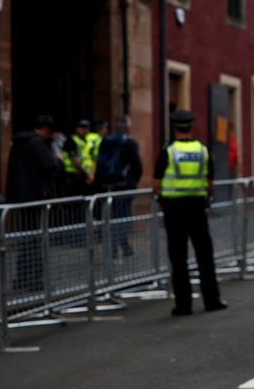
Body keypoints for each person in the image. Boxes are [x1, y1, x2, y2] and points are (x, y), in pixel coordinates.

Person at [153, 109, 227, 316]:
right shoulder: (202, 150)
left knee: (178, 258)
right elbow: (210, 181)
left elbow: (157, 182)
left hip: (174, 209)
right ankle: (212, 301)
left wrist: (161, 199)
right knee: (205, 255)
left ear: (175, 127)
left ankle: (183, 306)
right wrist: (205, 198)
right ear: (191, 126)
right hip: (197, 207)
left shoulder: (168, 151)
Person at [5, 115, 62, 291]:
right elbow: (49, 165)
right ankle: (32, 279)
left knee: (27, 240)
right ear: (45, 129)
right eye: (50, 132)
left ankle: (22, 279)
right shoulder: (36, 143)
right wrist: (57, 160)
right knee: (34, 241)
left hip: (21, 196)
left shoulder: (20, 143)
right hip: (35, 196)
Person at [96, 116, 143, 258]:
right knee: (123, 218)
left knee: (114, 217)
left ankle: (123, 248)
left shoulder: (105, 140)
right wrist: (133, 182)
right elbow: (137, 166)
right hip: (124, 185)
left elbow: (99, 163)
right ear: (128, 127)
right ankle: (115, 250)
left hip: (108, 185)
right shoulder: (130, 143)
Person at [61, 119, 93, 196]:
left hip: (82, 176)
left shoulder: (85, 141)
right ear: (76, 129)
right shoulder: (71, 141)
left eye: (86, 128)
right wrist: (88, 174)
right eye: (82, 128)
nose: (85, 130)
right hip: (72, 176)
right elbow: (74, 161)